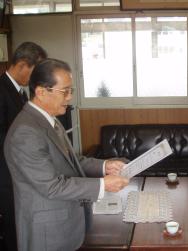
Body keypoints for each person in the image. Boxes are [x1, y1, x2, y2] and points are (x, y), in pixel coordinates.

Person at [4, 58, 129, 251]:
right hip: (46, 233)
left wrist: (105, 166)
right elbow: (52, 187)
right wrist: (103, 184)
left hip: (64, 225)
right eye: (65, 91)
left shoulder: (49, 119)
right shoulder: (26, 132)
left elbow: (72, 161)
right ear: (41, 92)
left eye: (71, 90)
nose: (69, 97)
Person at [0, 42, 47, 251]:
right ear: (21, 65)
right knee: (12, 225)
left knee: (21, 223)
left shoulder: (20, 91)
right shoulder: (1, 90)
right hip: (6, 173)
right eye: (34, 71)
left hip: (20, 170)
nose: (36, 78)